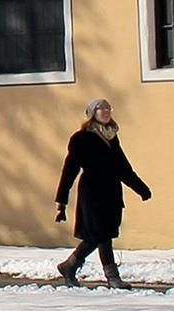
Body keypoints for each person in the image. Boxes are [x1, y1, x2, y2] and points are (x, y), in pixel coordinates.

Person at [54, 97, 150, 287]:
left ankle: (69, 266)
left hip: (112, 192)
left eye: (108, 108)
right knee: (102, 234)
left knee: (95, 236)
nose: (106, 111)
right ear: (92, 114)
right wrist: (62, 199)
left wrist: (141, 188)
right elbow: (70, 169)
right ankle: (112, 277)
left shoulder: (111, 137)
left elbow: (123, 168)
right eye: (101, 108)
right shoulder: (81, 138)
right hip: (92, 193)